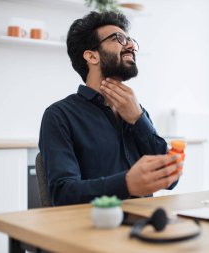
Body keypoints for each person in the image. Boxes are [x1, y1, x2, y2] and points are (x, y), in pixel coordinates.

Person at [39, 11, 182, 206]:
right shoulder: (59, 116)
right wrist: (126, 184)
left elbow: (171, 179)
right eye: (119, 39)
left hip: (143, 226)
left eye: (131, 40)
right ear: (92, 56)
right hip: (91, 229)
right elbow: (62, 193)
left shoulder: (137, 111)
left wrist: (139, 120)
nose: (131, 46)